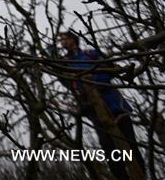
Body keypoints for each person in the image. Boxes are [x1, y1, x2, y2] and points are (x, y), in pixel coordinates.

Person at [57, 30, 145, 180]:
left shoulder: (90, 54)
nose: (62, 42)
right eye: (61, 40)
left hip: (114, 103)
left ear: (73, 39)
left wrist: (96, 83)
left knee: (130, 145)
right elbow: (68, 83)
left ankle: (141, 175)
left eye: (65, 39)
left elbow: (109, 70)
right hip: (93, 108)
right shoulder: (66, 62)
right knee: (108, 147)